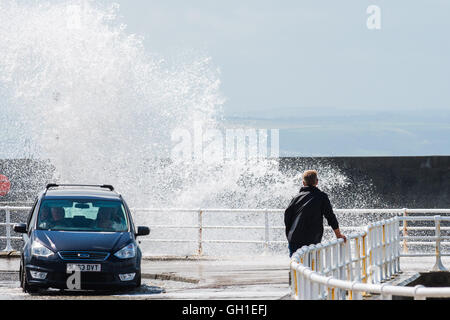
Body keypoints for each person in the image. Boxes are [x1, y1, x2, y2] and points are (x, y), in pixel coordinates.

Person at [284, 170, 346, 257]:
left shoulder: (296, 198)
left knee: (295, 266)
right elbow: (330, 217)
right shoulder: (321, 197)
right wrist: (338, 234)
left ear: (303, 183)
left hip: (294, 238)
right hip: (312, 238)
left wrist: (289, 234)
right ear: (317, 182)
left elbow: (287, 217)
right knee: (311, 266)